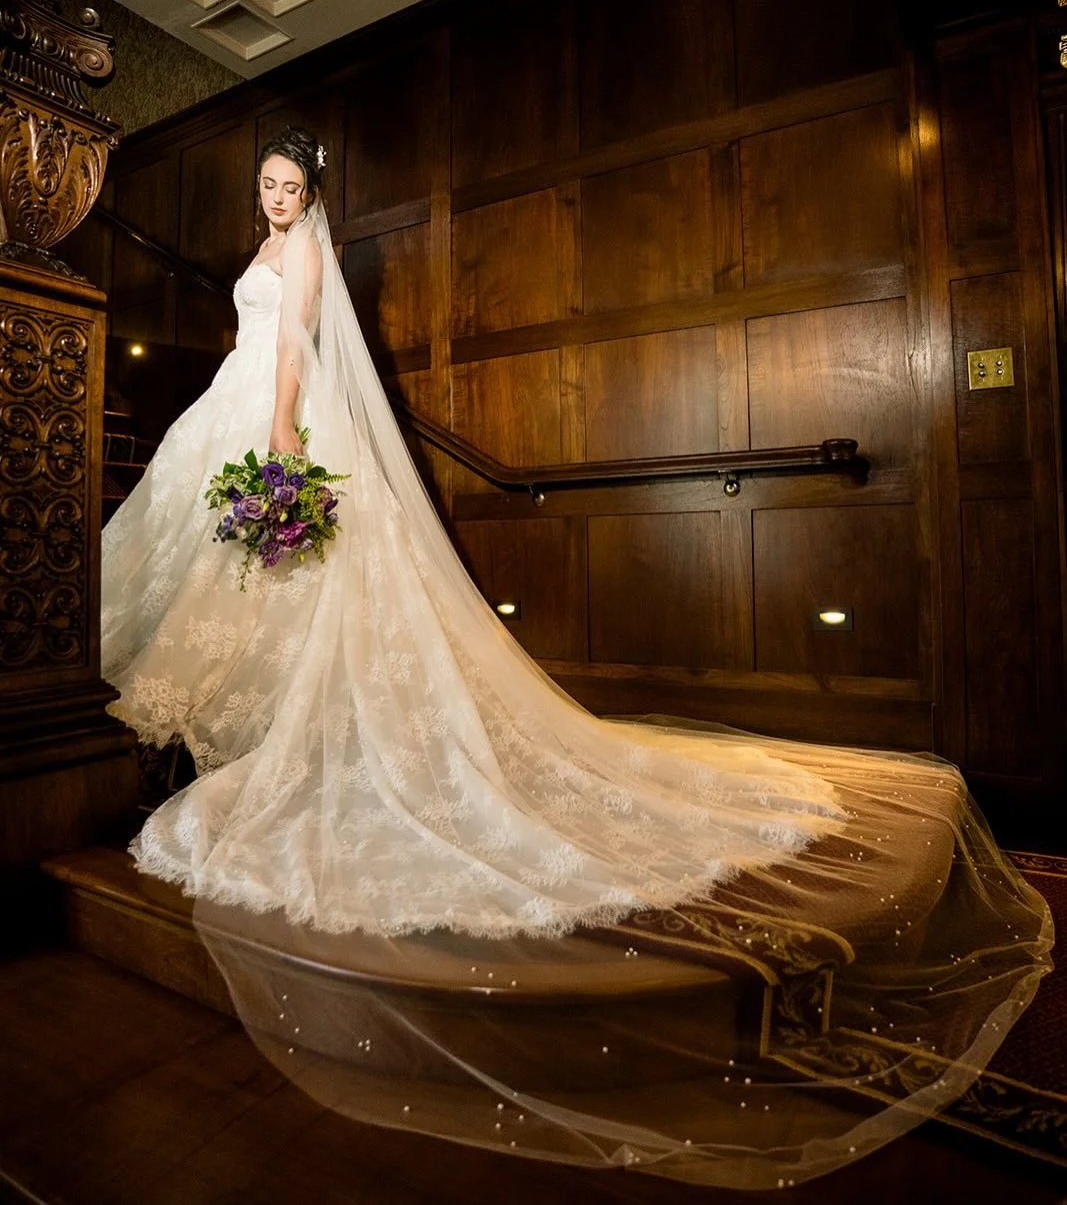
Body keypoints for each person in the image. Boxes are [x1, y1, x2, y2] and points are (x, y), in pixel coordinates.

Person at [100, 128, 1052, 1191]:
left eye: (289, 187)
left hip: (278, 416)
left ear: (312, 194)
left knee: (297, 583)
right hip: (233, 406)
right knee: (224, 583)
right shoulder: (260, 250)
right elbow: (252, 340)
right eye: (265, 188)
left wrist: (280, 440)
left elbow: (293, 352)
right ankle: (249, 732)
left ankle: (300, 739)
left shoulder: (312, 254)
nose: (276, 200)